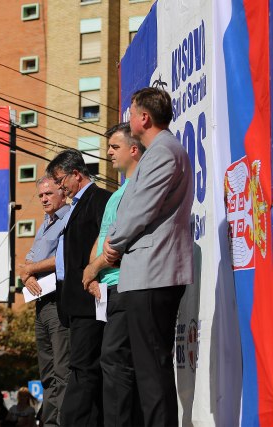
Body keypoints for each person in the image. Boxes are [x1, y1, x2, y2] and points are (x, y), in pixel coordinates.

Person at [104, 87, 194, 427]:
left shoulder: (162, 153)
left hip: (153, 272)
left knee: (152, 371)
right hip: (147, 272)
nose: (128, 119)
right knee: (148, 369)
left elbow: (139, 209)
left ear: (144, 118)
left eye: (131, 113)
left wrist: (114, 242)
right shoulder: (160, 152)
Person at [81, 123, 144, 426]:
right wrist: (92, 275)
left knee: (115, 359)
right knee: (112, 362)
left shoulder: (138, 188)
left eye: (114, 147)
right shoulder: (117, 193)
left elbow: (118, 242)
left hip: (125, 284)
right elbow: (103, 236)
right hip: (106, 290)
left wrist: (93, 268)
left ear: (134, 149)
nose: (108, 153)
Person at [46, 148, 111, 426]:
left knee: (84, 368)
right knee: (81, 367)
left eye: (61, 180)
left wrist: (93, 273)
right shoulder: (73, 206)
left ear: (76, 174)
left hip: (90, 300)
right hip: (72, 302)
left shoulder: (100, 199)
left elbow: (106, 240)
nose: (60, 187)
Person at [18, 177, 70, 427]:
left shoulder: (69, 218)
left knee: (62, 370)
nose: (44, 199)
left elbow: (63, 257)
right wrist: (27, 275)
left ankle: (63, 421)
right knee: (46, 372)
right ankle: (49, 422)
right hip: (40, 302)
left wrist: (30, 269)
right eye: (40, 195)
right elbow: (28, 259)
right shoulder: (45, 224)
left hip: (59, 301)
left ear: (62, 191)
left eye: (48, 193)